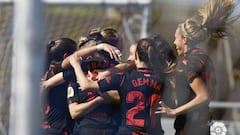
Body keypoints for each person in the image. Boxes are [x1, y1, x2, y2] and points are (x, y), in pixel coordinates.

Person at [155, 0, 239, 134]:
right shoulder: (204, 58)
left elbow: (203, 95)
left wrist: (174, 111)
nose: (174, 42)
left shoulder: (187, 63)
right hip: (203, 122)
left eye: (176, 38)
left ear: (184, 40)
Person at [69, 37, 171, 135]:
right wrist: (172, 111)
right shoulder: (163, 80)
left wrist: (76, 65)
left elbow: (86, 86)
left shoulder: (124, 78)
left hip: (129, 131)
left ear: (135, 56)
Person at [41, 27, 123, 135]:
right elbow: (75, 111)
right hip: (60, 129)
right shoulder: (67, 71)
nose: (81, 56)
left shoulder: (65, 71)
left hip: (57, 127)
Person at [41, 37, 77, 135]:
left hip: (46, 125)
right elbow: (69, 74)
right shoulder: (61, 72)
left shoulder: (44, 70)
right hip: (59, 127)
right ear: (66, 56)